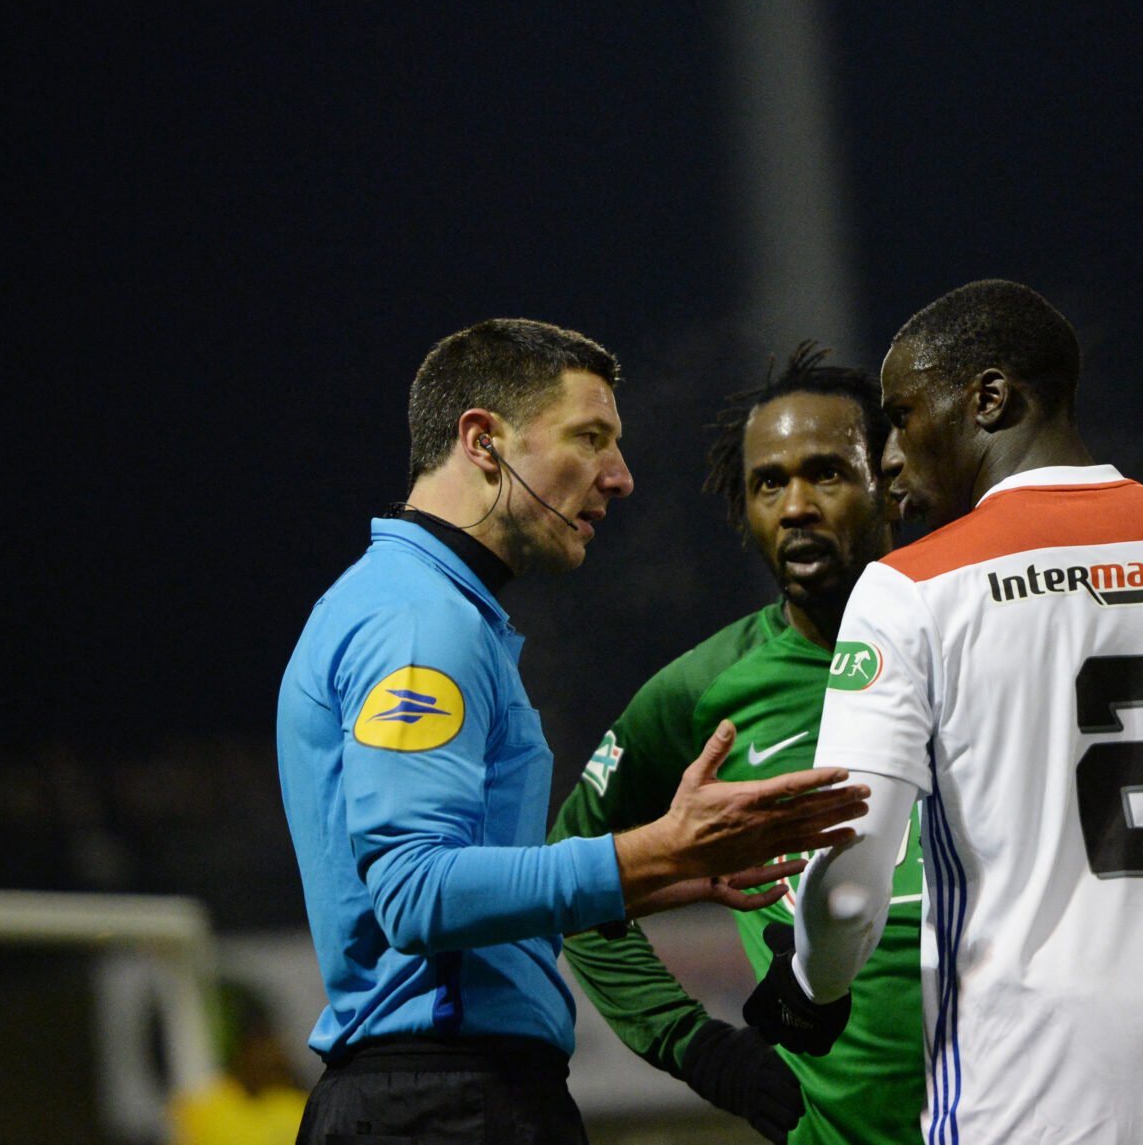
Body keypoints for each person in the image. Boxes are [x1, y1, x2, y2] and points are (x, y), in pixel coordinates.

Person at [743, 281, 1143, 1144]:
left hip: (1030, 1091)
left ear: (991, 398)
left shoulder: (911, 588)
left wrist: (811, 987)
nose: (888, 458)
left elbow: (850, 885)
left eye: (905, 416)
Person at [276, 318, 871, 1145]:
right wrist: (657, 848)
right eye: (590, 438)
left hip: (451, 1093)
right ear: (484, 440)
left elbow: (461, 901)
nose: (619, 477)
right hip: (442, 1104)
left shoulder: (435, 611)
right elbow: (416, 892)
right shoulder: (421, 623)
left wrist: (667, 875)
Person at [550, 343, 925, 1145]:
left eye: (826, 472)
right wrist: (700, 1046)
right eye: (768, 483)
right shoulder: (704, 690)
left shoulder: (980, 642)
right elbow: (570, 879)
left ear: (891, 482)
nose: (794, 505)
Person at [169, 983, 309, 1145]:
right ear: (242, 1051)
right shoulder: (199, 1110)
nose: (271, 1057)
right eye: (261, 1046)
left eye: (273, 1045)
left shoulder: (298, 1108)